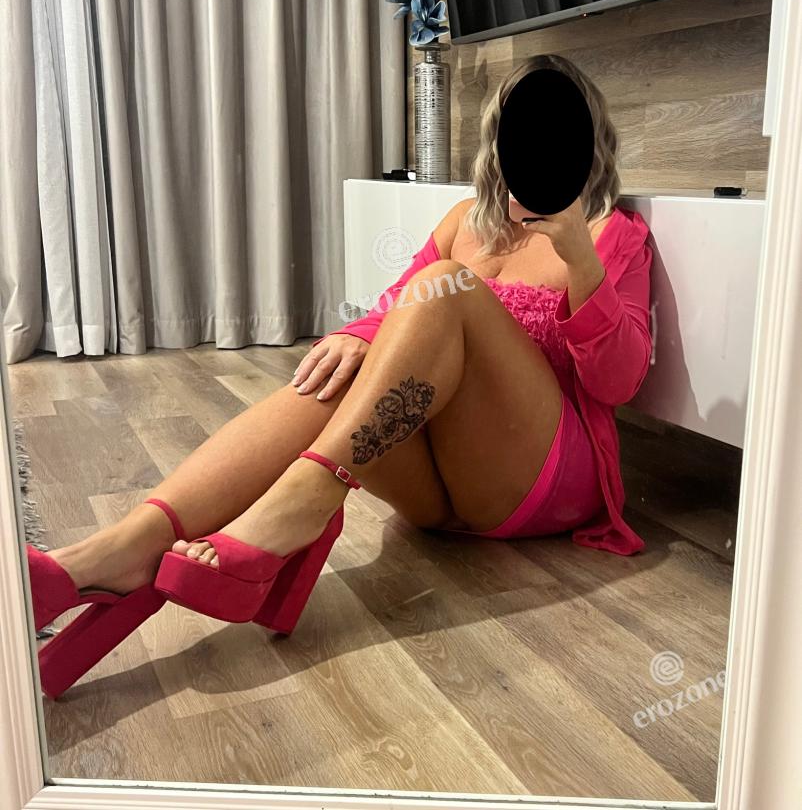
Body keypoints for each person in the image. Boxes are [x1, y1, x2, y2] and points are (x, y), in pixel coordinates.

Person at [28, 52, 653, 697]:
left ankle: (302, 500)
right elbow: (397, 312)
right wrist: (359, 335)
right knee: (353, 363)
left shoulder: (614, 233)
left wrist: (580, 260)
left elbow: (619, 384)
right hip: (440, 493)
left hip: (545, 480)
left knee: (445, 288)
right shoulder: (465, 222)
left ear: (586, 141)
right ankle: (125, 547)